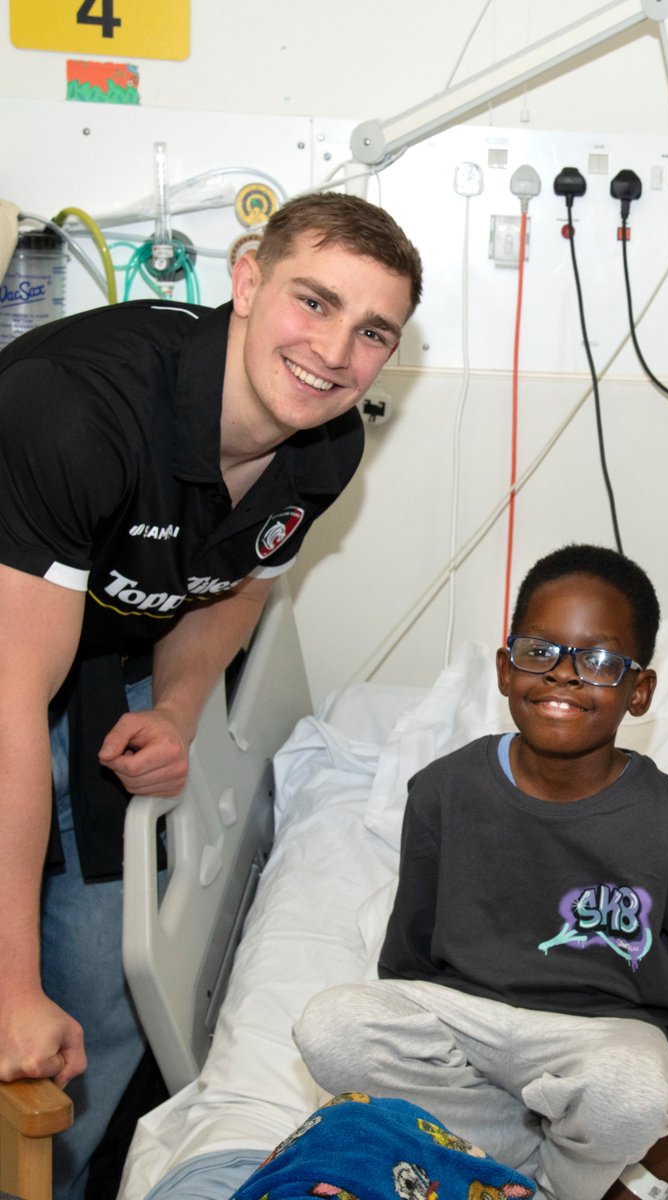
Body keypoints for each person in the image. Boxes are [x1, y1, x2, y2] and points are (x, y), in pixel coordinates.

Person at [0, 190, 423, 1200]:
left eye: (373, 333)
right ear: (244, 282)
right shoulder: (77, 411)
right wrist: (12, 985)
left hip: (106, 671)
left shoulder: (324, 446)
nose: (334, 353)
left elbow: (244, 582)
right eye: (313, 303)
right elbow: (12, 700)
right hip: (13, 666)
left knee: (102, 994)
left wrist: (181, 707)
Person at [294, 543, 668, 1200]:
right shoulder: (443, 792)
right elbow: (408, 964)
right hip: (470, 1025)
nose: (564, 676)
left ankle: (547, 1178)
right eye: (539, 651)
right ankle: (528, 1168)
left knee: (632, 1091)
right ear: (505, 669)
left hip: (597, 1039)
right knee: (332, 1025)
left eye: (600, 661)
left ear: (640, 691)